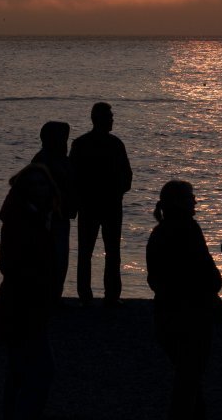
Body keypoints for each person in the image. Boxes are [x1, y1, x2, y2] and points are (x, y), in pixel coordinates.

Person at [146, 180, 222, 420]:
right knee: (188, 380)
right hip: (191, 317)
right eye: (191, 197)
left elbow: (154, 279)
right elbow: (205, 272)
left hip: (166, 316)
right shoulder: (188, 229)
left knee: (187, 378)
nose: (195, 201)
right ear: (180, 202)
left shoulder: (159, 232)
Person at [0, 163, 59, 420]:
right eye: (34, 185)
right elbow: (9, 263)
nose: (40, 189)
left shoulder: (39, 217)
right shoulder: (24, 220)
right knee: (42, 371)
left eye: (43, 184)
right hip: (24, 303)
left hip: (26, 301)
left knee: (20, 369)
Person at [70, 102, 133, 307]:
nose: (113, 119)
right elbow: (127, 177)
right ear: (100, 119)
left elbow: (73, 177)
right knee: (109, 251)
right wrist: (116, 191)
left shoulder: (82, 144)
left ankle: (89, 295)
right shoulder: (114, 144)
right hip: (106, 205)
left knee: (90, 251)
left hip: (94, 204)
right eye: (109, 116)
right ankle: (109, 295)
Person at [31, 120, 76, 305]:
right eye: (62, 138)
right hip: (48, 217)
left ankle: (53, 295)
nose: (65, 142)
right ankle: (48, 296)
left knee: (59, 257)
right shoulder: (44, 160)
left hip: (60, 215)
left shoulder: (59, 160)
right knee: (52, 257)